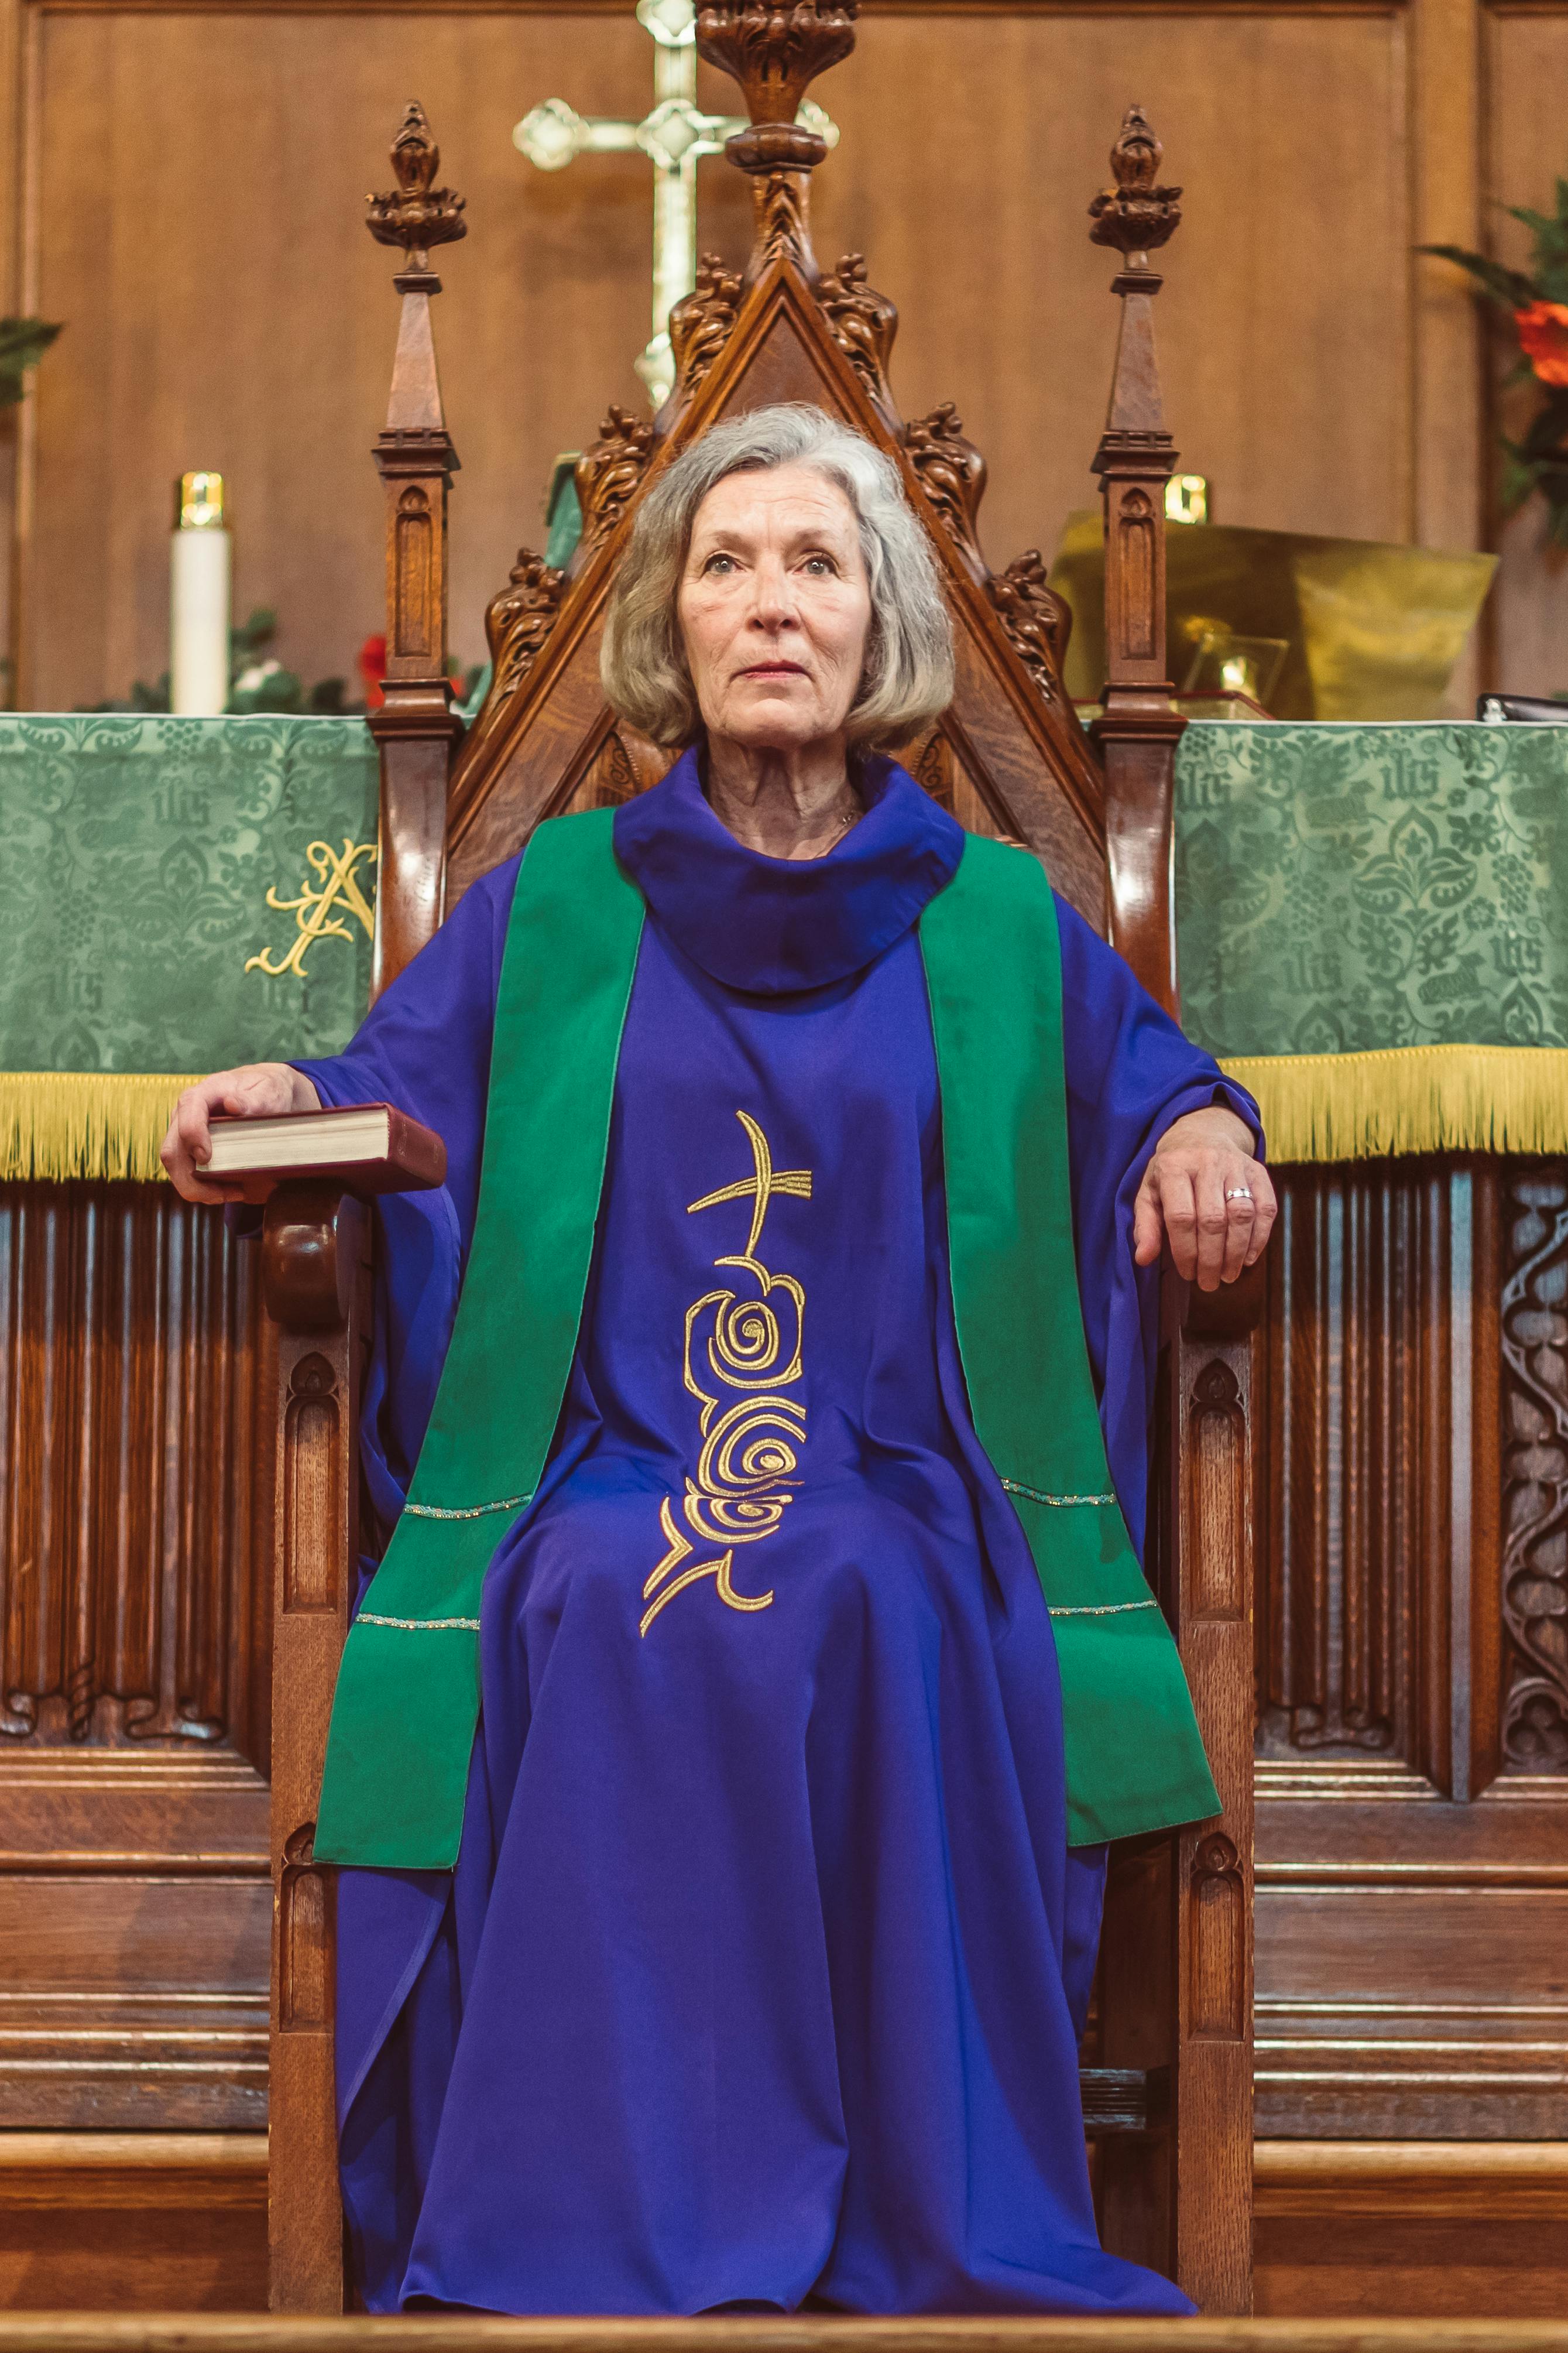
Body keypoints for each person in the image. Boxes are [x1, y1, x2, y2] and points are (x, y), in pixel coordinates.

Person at [163, 404, 1274, 2318]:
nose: (771, 602)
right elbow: (384, 1094)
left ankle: (892, 2206)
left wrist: (1199, 1138)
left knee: (875, 1586)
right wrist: (285, 1091)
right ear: (672, 623)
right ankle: (608, 2214)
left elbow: (1159, 1087)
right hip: (608, 1461)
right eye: (728, 562)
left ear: (882, 631)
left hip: (911, 1469)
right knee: (598, 1589)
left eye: (816, 563)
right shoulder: (561, 905)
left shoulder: (998, 917)